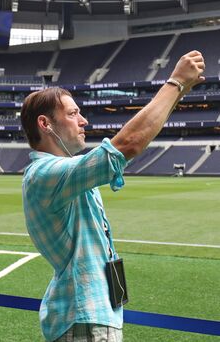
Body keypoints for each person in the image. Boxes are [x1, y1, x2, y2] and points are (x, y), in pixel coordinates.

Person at [20, 50, 205, 342]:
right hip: (83, 317)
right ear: (45, 124)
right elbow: (127, 145)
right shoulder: (45, 175)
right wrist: (175, 84)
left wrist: (179, 93)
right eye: (72, 113)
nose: (83, 121)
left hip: (88, 314)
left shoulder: (63, 174)